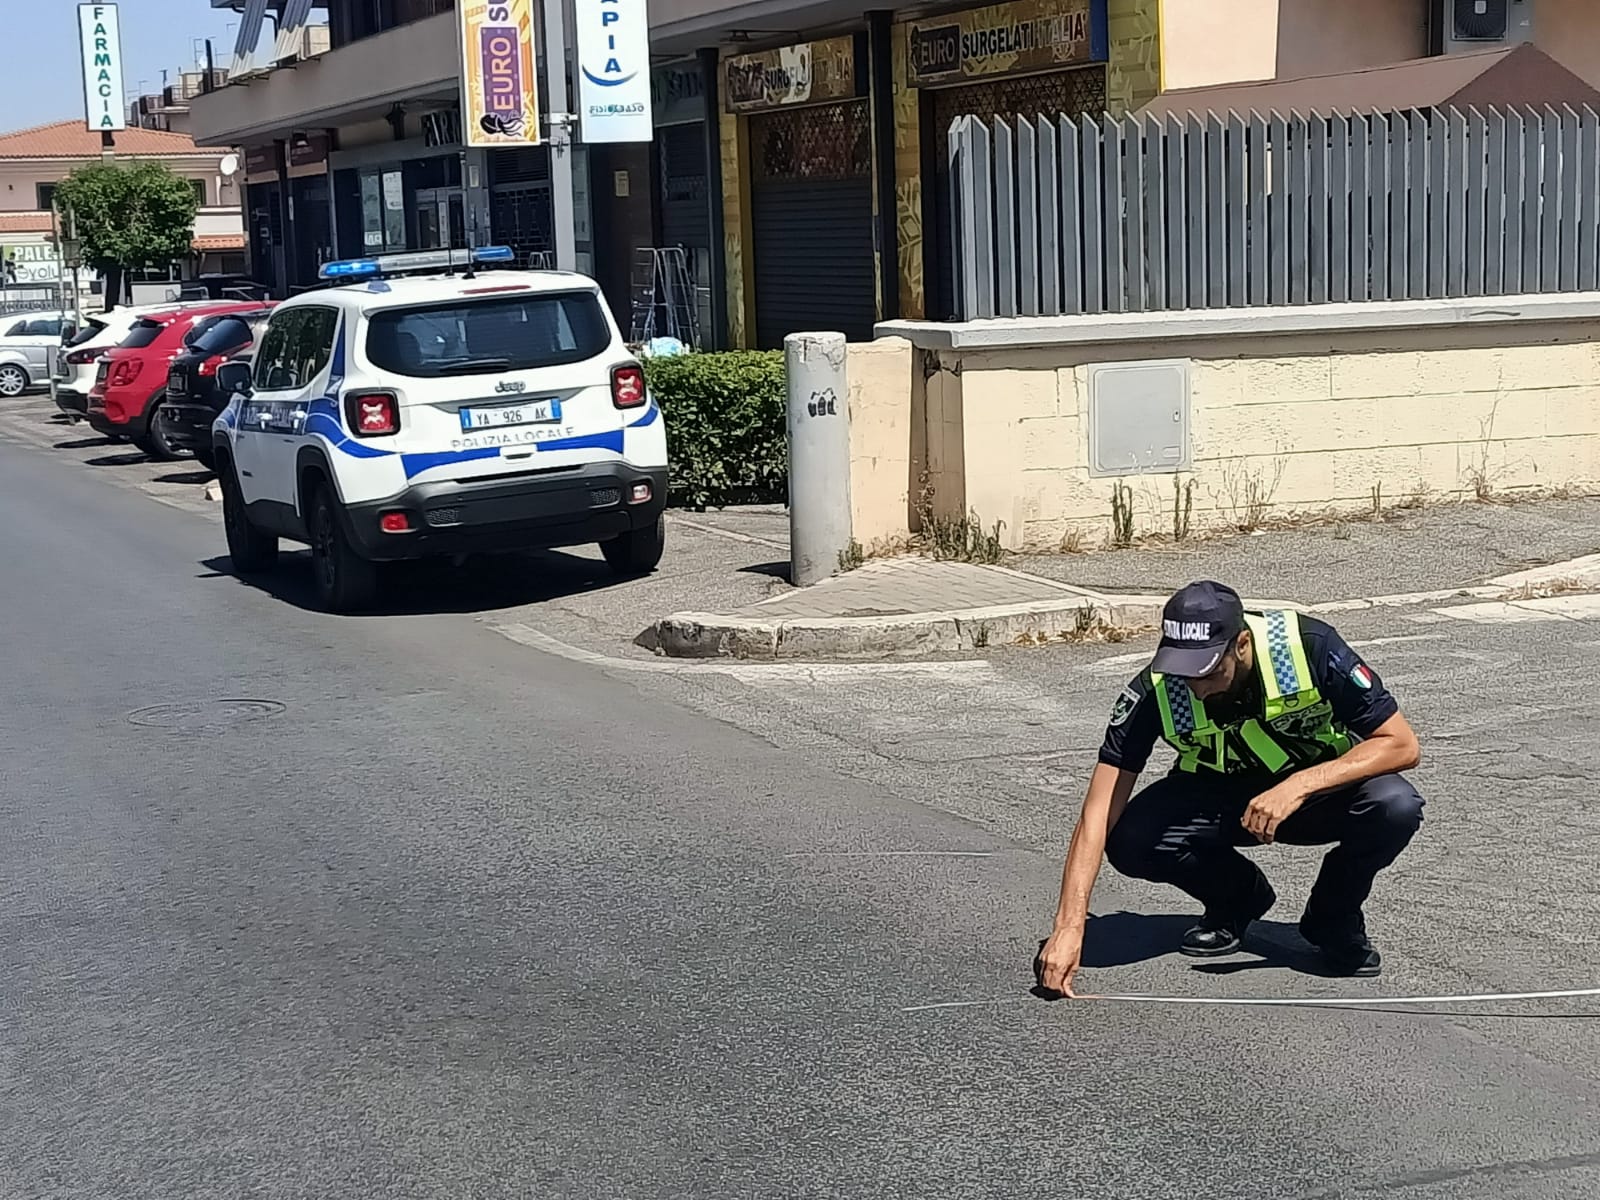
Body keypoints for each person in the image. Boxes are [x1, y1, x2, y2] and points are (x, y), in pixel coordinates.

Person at [1037, 581, 1424, 995]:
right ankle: (1237, 899)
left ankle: (1332, 916)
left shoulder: (1307, 646)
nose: (1195, 687)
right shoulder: (1156, 687)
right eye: (1182, 671)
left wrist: (1299, 785)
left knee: (1395, 805)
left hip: (1312, 796)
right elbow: (1098, 811)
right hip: (1217, 798)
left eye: (1207, 672)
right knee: (1131, 838)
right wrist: (1068, 927)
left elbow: (1401, 744)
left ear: (1241, 645)